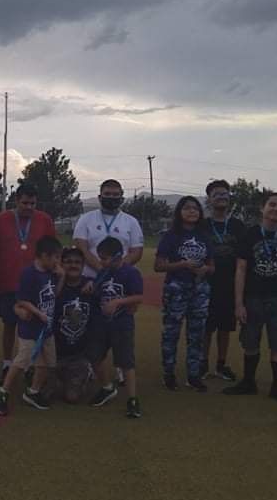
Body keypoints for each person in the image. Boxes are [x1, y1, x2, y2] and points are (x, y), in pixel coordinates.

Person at [224, 192, 277, 405]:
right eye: (273, 205)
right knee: (250, 342)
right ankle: (248, 382)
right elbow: (240, 270)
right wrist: (239, 303)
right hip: (252, 299)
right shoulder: (250, 235)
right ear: (263, 208)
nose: (276, 209)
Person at [72, 179, 144, 387]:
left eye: (115, 194)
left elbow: (136, 251)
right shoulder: (86, 219)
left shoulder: (130, 221)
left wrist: (117, 268)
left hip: (119, 284)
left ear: (122, 196)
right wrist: (101, 267)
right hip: (91, 280)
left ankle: (121, 368)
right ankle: (90, 365)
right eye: (107, 194)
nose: (111, 198)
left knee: (120, 325)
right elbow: (82, 247)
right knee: (90, 324)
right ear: (100, 196)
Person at [0, 183, 56, 382]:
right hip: (7, 281)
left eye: (33, 203)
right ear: (16, 200)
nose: (29, 207)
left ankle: (31, 364)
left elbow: (52, 250)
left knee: (33, 325)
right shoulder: (1, 220)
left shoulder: (44, 220)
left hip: (37, 284)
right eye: (25, 202)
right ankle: (7, 362)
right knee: (9, 324)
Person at [0, 236, 63, 415]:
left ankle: (33, 391)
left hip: (46, 329)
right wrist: (39, 314)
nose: (57, 262)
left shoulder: (50, 273)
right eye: (55, 257)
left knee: (46, 363)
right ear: (44, 256)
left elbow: (54, 295)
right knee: (22, 361)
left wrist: (61, 278)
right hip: (31, 329)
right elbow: (22, 300)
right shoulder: (29, 273)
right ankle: (3, 391)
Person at [154, 196, 215, 392]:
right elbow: (159, 265)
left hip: (199, 289)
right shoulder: (171, 236)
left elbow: (212, 266)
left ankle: (193, 375)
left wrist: (205, 269)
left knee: (196, 334)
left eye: (195, 209)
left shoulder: (205, 236)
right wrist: (181, 264)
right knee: (171, 333)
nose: (192, 212)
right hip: (176, 288)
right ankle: (169, 373)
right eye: (187, 208)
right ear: (180, 212)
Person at [87, 237, 144, 418]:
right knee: (94, 355)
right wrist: (90, 287)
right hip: (102, 323)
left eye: (104, 258)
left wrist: (119, 301)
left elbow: (138, 297)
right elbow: (97, 292)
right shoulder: (104, 273)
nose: (101, 261)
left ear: (117, 256)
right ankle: (106, 387)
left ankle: (132, 399)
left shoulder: (130, 273)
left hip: (121, 323)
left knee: (126, 362)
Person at [198, 179, 245, 381]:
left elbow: (243, 256)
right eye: (216, 193)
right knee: (206, 327)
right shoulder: (202, 224)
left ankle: (221, 364)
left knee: (226, 327)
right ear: (209, 199)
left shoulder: (237, 225)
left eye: (225, 193)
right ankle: (202, 363)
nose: (221, 196)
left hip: (230, 283)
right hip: (206, 283)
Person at [53, 246, 96, 405]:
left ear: (83, 265)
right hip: (53, 353)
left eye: (77, 262)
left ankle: (84, 371)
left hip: (78, 355)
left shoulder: (90, 286)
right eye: (68, 262)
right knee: (44, 393)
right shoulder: (54, 285)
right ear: (61, 264)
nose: (73, 265)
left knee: (72, 398)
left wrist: (94, 284)